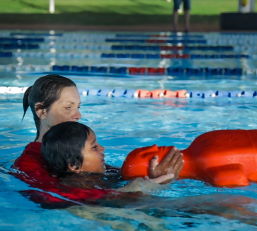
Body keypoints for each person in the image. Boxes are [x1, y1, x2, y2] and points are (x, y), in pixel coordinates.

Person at [12, 74, 183, 192]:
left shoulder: (81, 149)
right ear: (41, 111)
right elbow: (55, 197)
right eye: (68, 107)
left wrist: (154, 176)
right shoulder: (28, 164)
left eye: (78, 107)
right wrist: (128, 192)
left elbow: (113, 176)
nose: (78, 115)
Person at [41, 121, 174, 192]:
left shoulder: (102, 172)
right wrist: (134, 189)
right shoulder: (75, 186)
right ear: (74, 165)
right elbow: (100, 202)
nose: (102, 148)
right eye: (94, 147)